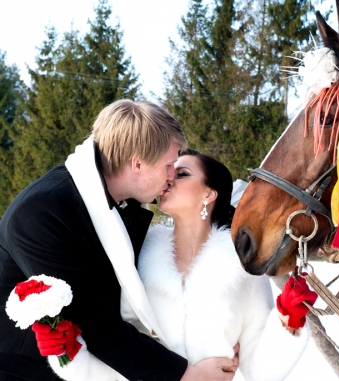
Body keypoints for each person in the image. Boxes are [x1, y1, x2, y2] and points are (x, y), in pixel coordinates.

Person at [0, 100, 238, 381]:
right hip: (25, 373)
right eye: (169, 165)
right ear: (137, 163)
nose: (171, 176)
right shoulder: (44, 209)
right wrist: (186, 375)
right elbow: (94, 321)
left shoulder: (120, 209)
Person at [39, 148, 318, 381]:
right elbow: (118, 356)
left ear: (209, 194)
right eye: (170, 170)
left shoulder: (241, 271)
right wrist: (69, 352)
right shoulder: (134, 256)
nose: (169, 179)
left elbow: (260, 370)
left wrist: (288, 320)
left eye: (182, 174)